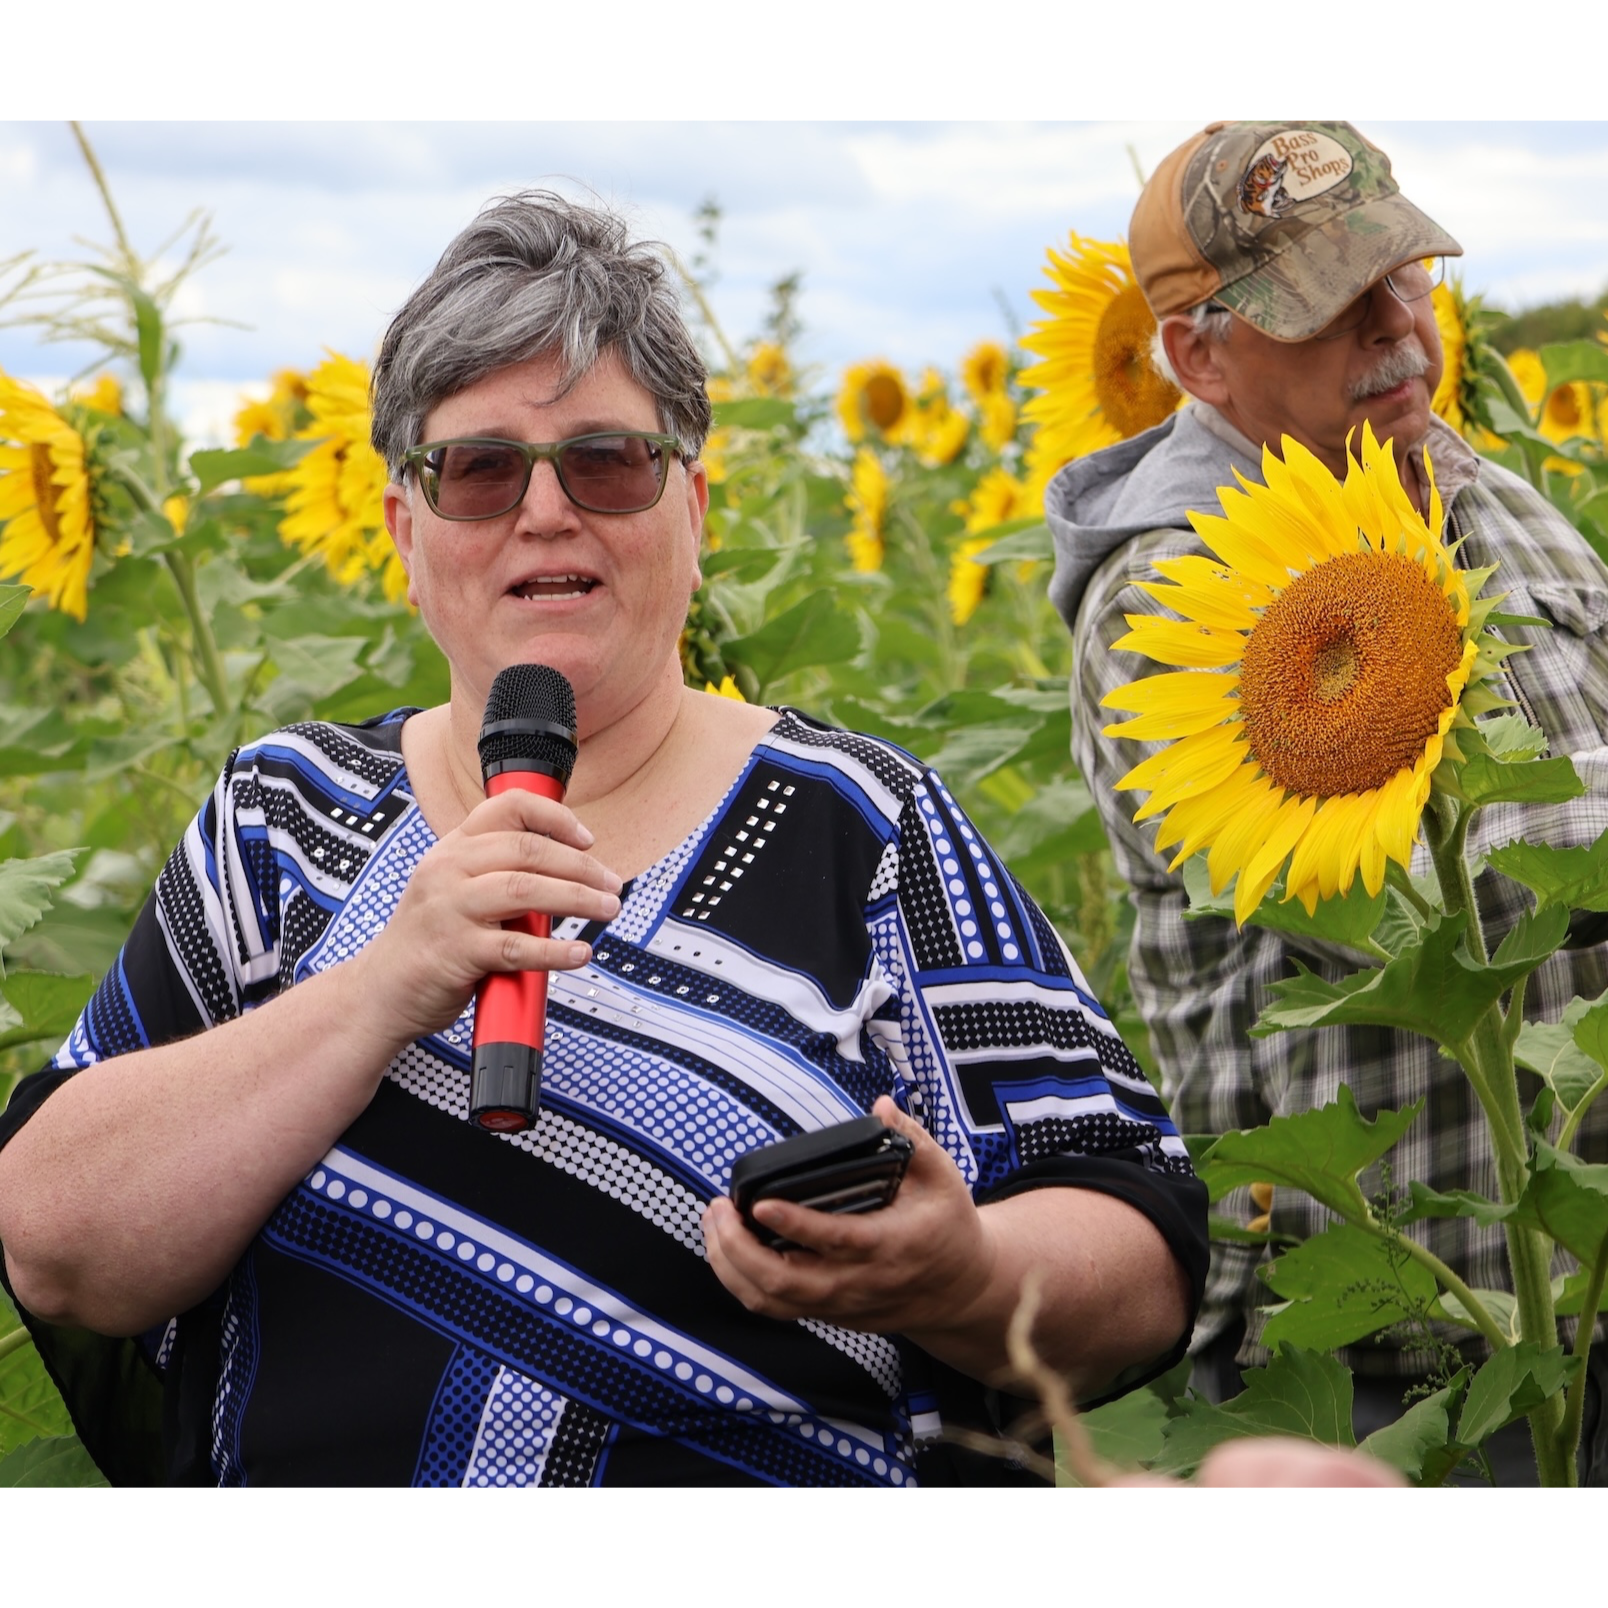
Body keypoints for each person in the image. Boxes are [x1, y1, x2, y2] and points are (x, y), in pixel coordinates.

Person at [0, 192, 1206, 1488]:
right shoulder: (279, 817)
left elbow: (1136, 1244)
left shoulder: (865, 823)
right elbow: (53, 1240)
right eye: (478, 470)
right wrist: (374, 993)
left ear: (692, 507)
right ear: (407, 534)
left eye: (606, 462)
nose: (544, 512)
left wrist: (964, 1273)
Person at [1048, 119, 1608, 1481]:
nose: (1400, 333)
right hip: (1386, 1331)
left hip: (1570, 1289)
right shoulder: (1171, 603)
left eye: (1403, 277)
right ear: (1196, 356)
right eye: (1334, 309)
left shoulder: (1498, 505)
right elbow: (1388, 904)